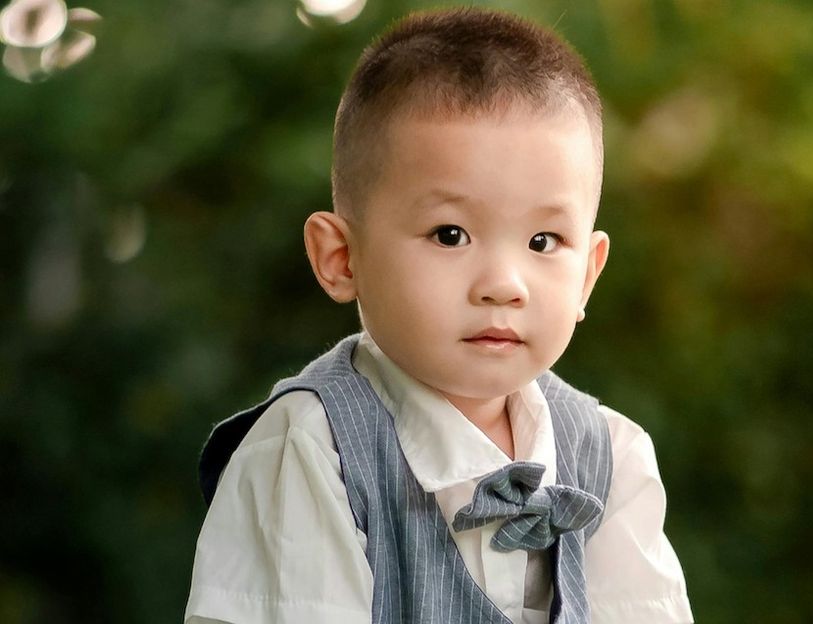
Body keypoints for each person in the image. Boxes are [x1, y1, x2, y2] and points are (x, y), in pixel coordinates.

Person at [184, 7, 693, 624]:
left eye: (543, 242)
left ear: (588, 272)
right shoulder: (317, 449)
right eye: (450, 234)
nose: (504, 285)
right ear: (342, 258)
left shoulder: (611, 456)